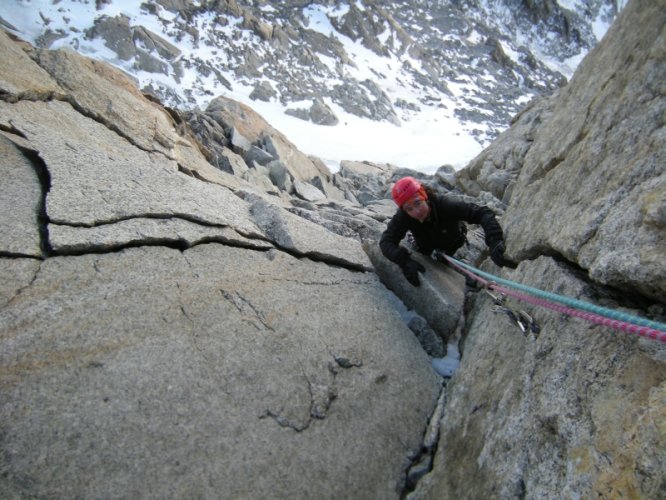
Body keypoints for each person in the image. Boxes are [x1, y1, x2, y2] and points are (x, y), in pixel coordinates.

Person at [379, 176, 507, 286]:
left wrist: (494, 240)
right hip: (426, 249)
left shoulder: (444, 205)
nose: (416, 212)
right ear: (404, 209)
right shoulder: (404, 216)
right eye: (409, 209)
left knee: (471, 280)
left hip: (454, 245)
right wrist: (404, 261)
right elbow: (386, 242)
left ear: (424, 195)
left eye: (418, 203)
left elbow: (482, 213)